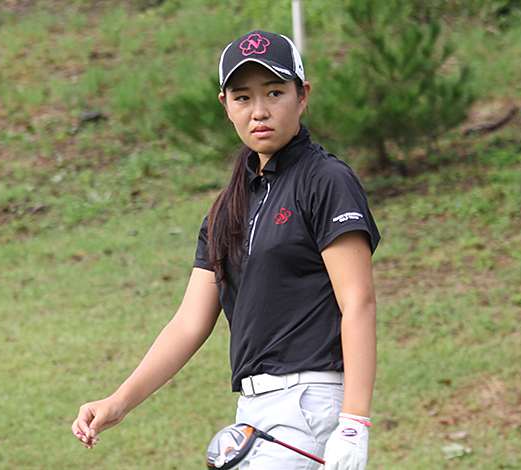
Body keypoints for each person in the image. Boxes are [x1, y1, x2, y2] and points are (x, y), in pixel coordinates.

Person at [71, 30, 380, 470]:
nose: (260, 111)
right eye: (243, 98)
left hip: (311, 405)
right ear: (225, 106)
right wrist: (119, 402)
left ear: (302, 95)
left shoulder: (325, 181)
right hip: (252, 411)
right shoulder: (227, 207)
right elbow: (189, 323)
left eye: (275, 93)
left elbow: (359, 303)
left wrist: (354, 423)